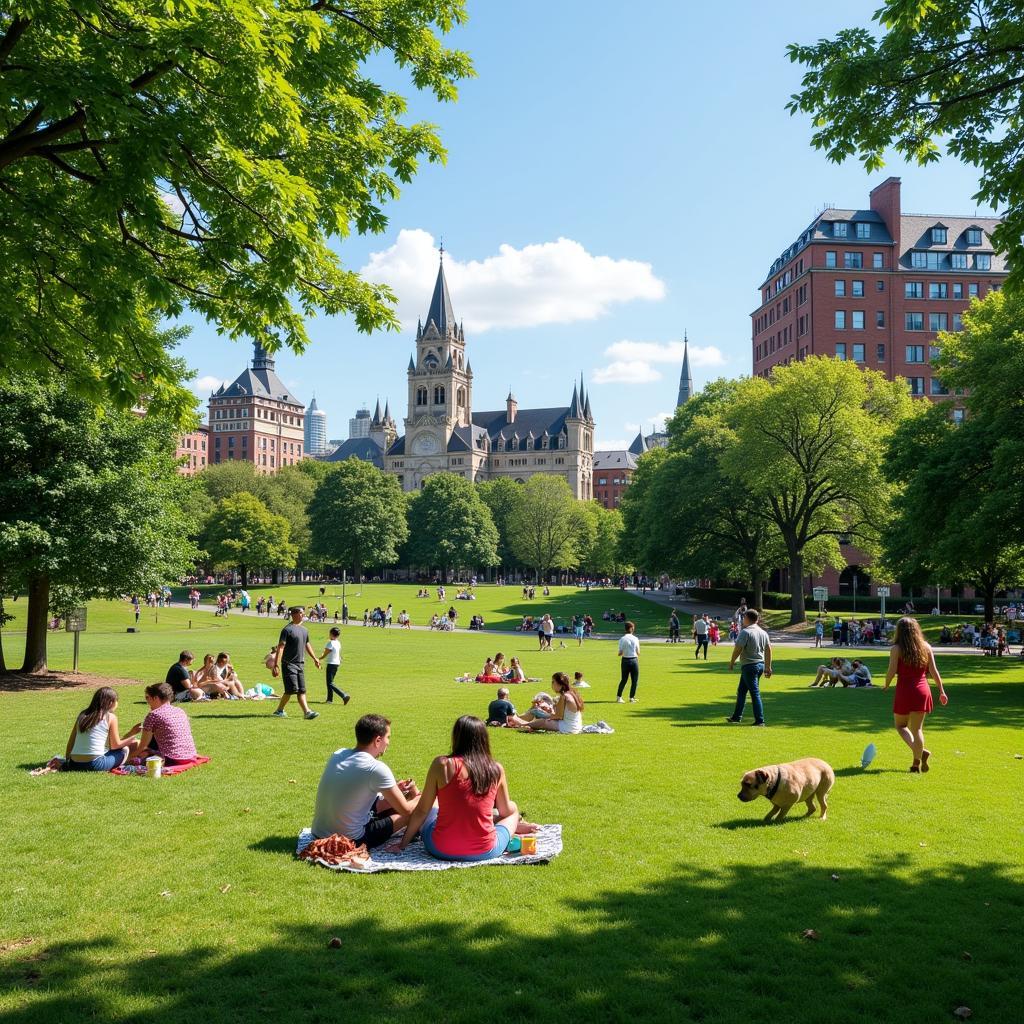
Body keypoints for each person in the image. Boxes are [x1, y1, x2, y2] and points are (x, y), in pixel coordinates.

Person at [400, 716, 526, 861]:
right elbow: (505, 811)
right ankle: (511, 825)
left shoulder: (442, 765)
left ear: (456, 737)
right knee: (513, 809)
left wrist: (402, 844)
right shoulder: (495, 769)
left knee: (433, 805)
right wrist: (512, 810)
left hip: (440, 848)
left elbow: (422, 810)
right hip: (485, 851)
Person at [310, 714, 419, 847]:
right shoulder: (376, 768)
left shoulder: (339, 754)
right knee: (413, 813)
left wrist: (396, 789)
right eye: (388, 737)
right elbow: (406, 810)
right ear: (378, 740)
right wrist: (426, 797)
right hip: (350, 840)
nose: (388, 742)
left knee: (388, 804)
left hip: (318, 833)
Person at [884, 616, 946, 772]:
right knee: (917, 729)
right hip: (922, 690)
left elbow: (891, 670)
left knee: (900, 726)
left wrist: (886, 684)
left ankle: (921, 752)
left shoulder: (896, 649)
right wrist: (942, 691)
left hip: (905, 690)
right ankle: (916, 763)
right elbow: (934, 671)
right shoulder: (926, 646)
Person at [63, 687, 137, 771]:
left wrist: (67, 760)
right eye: (116, 701)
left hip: (74, 764)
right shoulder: (110, 717)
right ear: (111, 702)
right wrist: (131, 738)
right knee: (124, 750)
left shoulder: (82, 715)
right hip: (95, 764)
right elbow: (115, 745)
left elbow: (71, 741)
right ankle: (123, 766)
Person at [271, 606, 321, 719]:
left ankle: (307, 712)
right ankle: (280, 710)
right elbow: (281, 647)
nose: (304, 615)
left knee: (302, 690)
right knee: (291, 690)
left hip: (300, 664)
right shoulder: (287, 630)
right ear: (294, 614)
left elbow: (307, 644)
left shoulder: (304, 630)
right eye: (301, 613)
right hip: (288, 664)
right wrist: (276, 664)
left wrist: (315, 658)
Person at [132, 682, 199, 764]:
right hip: (190, 755)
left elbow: (142, 746)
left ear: (156, 698)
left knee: (137, 752)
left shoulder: (154, 715)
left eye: (147, 697)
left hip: (171, 758)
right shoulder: (180, 711)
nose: (147, 702)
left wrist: (129, 758)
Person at [726, 609, 772, 726]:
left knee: (754, 693)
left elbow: (738, 648)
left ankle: (760, 720)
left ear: (747, 618)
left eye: (744, 618)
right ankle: (736, 717)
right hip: (759, 665)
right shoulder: (763, 632)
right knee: (741, 691)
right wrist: (768, 667)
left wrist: (731, 662)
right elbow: (768, 650)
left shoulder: (745, 632)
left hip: (749, 666)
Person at [516, 672, 584, 733]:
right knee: (539, 714)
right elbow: (562, 715)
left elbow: (559, 716)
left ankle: (521, 724)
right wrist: (549, 711)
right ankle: (521, 722)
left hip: (568, 727)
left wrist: (546, 716)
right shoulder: (572, 693)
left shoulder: (564, 696)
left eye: (553, 682)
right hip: (575, 726)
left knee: (542, 720)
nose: (552, 684)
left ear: (559, 684)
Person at [320, 627, 351, 705]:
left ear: (331, 634)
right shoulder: (338, 642)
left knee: (330, 683)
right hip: (336, 663)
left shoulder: (330, 643)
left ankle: (344, 695)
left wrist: (318, 658)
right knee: (330, 682)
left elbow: (326, 653)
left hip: (331, 663)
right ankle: (329, 700)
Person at [616, 621, 640, 702]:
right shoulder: (635, 639)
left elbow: (620, 653)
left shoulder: (622, 639)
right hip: (634, 660)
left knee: (624, 680)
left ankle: (619, 697)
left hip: (625, 660)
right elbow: (638, 652)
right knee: (634, 680)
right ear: (631, 628)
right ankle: (631, 697)